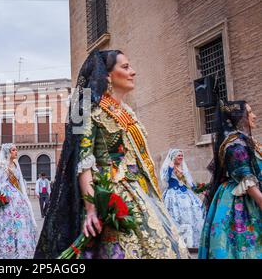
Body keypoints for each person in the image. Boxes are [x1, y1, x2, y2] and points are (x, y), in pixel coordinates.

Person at [35, 50, 189, 259]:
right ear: (107, 75)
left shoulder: (126, 111)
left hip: (139, 191)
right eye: (125, 67)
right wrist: (91, 209)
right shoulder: (87, 110)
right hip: (113, 194)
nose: (133, 72)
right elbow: (83, 161)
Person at [199, 101, 261, 259]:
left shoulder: (246, 141)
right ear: (240, 118)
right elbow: (247, 181)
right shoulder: (236, 145)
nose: (254, 116)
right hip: (243, 203)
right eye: (250, 112)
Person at [160, 149, 204, 248]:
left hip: (185, 193)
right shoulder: (168, 167)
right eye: (178, 155)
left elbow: (189, 181)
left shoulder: (183, 167)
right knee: (175, 215)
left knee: (194, 210)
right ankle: (178, 242)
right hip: (173, 195)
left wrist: (198, 189)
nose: (181, 157)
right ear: (173, 157)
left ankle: (191, 242)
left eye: (181, 155)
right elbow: (165, 179)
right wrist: (170, 168)